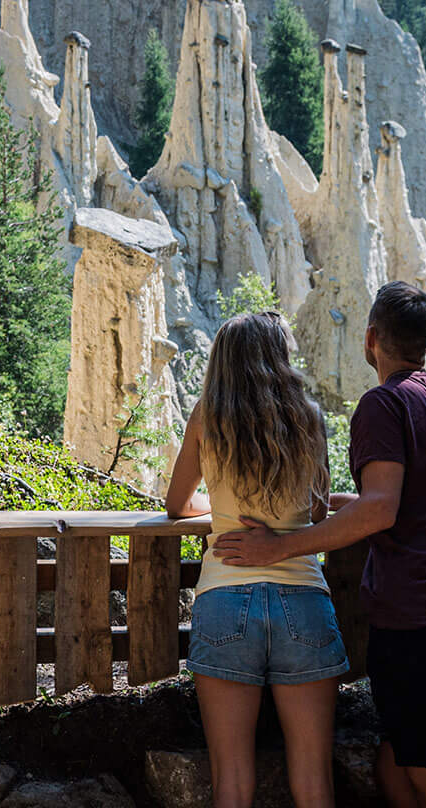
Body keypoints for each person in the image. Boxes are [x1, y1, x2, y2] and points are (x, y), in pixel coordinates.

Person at [209, 282, 426, 808]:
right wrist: (341, 502)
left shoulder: (384, 403)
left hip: (417, 621)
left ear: (369, 339)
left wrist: (280, 546)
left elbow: (381, 507)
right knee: (397, 763)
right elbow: (414, 496)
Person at [164, 311, 347, 808]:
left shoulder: (207, 416)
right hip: (304, 598)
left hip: (226, 595)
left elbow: (177, 505)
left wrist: (220, 508)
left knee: (232, 781)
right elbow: (316, 509)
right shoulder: (307, 415)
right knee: (313, 780)